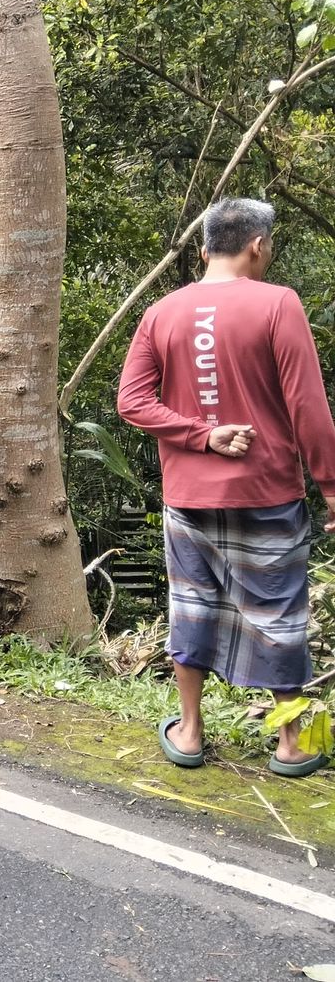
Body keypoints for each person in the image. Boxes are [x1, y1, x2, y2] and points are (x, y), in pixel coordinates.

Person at [117, 197, 335, 777]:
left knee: (191, 608)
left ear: (204, 246)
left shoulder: (164, 311)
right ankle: (293, 744)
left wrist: (200, 435)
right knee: (280, 615)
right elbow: (309, 409)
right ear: (257, 245)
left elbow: (131, 403)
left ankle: (189, 733)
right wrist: (333, 488)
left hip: (187, 498)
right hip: (267, 495)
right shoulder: (278, 303)